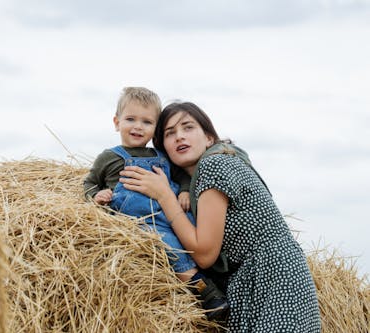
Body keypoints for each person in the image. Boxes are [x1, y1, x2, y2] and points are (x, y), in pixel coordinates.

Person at [118, 101, 321, 332]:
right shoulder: (202, 176)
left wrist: (164, 196)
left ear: (209, 138)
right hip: (255, 283)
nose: (179, 137)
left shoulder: (214, 164)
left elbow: (204, 253)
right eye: (169, 133)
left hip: (274, 279)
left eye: (188, 127)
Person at [84, 88, 229, 319]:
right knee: (171, 248)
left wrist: (182, 191)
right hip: (142, 221)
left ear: (155, 128)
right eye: (130, 119)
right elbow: (90, 183)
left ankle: (217, 275)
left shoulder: (161, 155)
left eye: (147, 122)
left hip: (170, 212)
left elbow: (181, 176)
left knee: (196, 236)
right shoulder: (109, 157)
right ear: (116, 122)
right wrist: (97, 196)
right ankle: (207, 294)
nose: (138, 126)